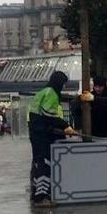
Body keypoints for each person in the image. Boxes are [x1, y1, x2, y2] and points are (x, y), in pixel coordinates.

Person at [28, 71, 70, 206]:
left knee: (37, 162)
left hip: (35, 133)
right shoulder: (51, 93)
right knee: (45, 164)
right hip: (43, 135)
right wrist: (65, 126)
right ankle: (42, 197)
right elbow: (49, 116)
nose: (63, 87)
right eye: (63, 84)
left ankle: (35, 194)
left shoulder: (42, 92)